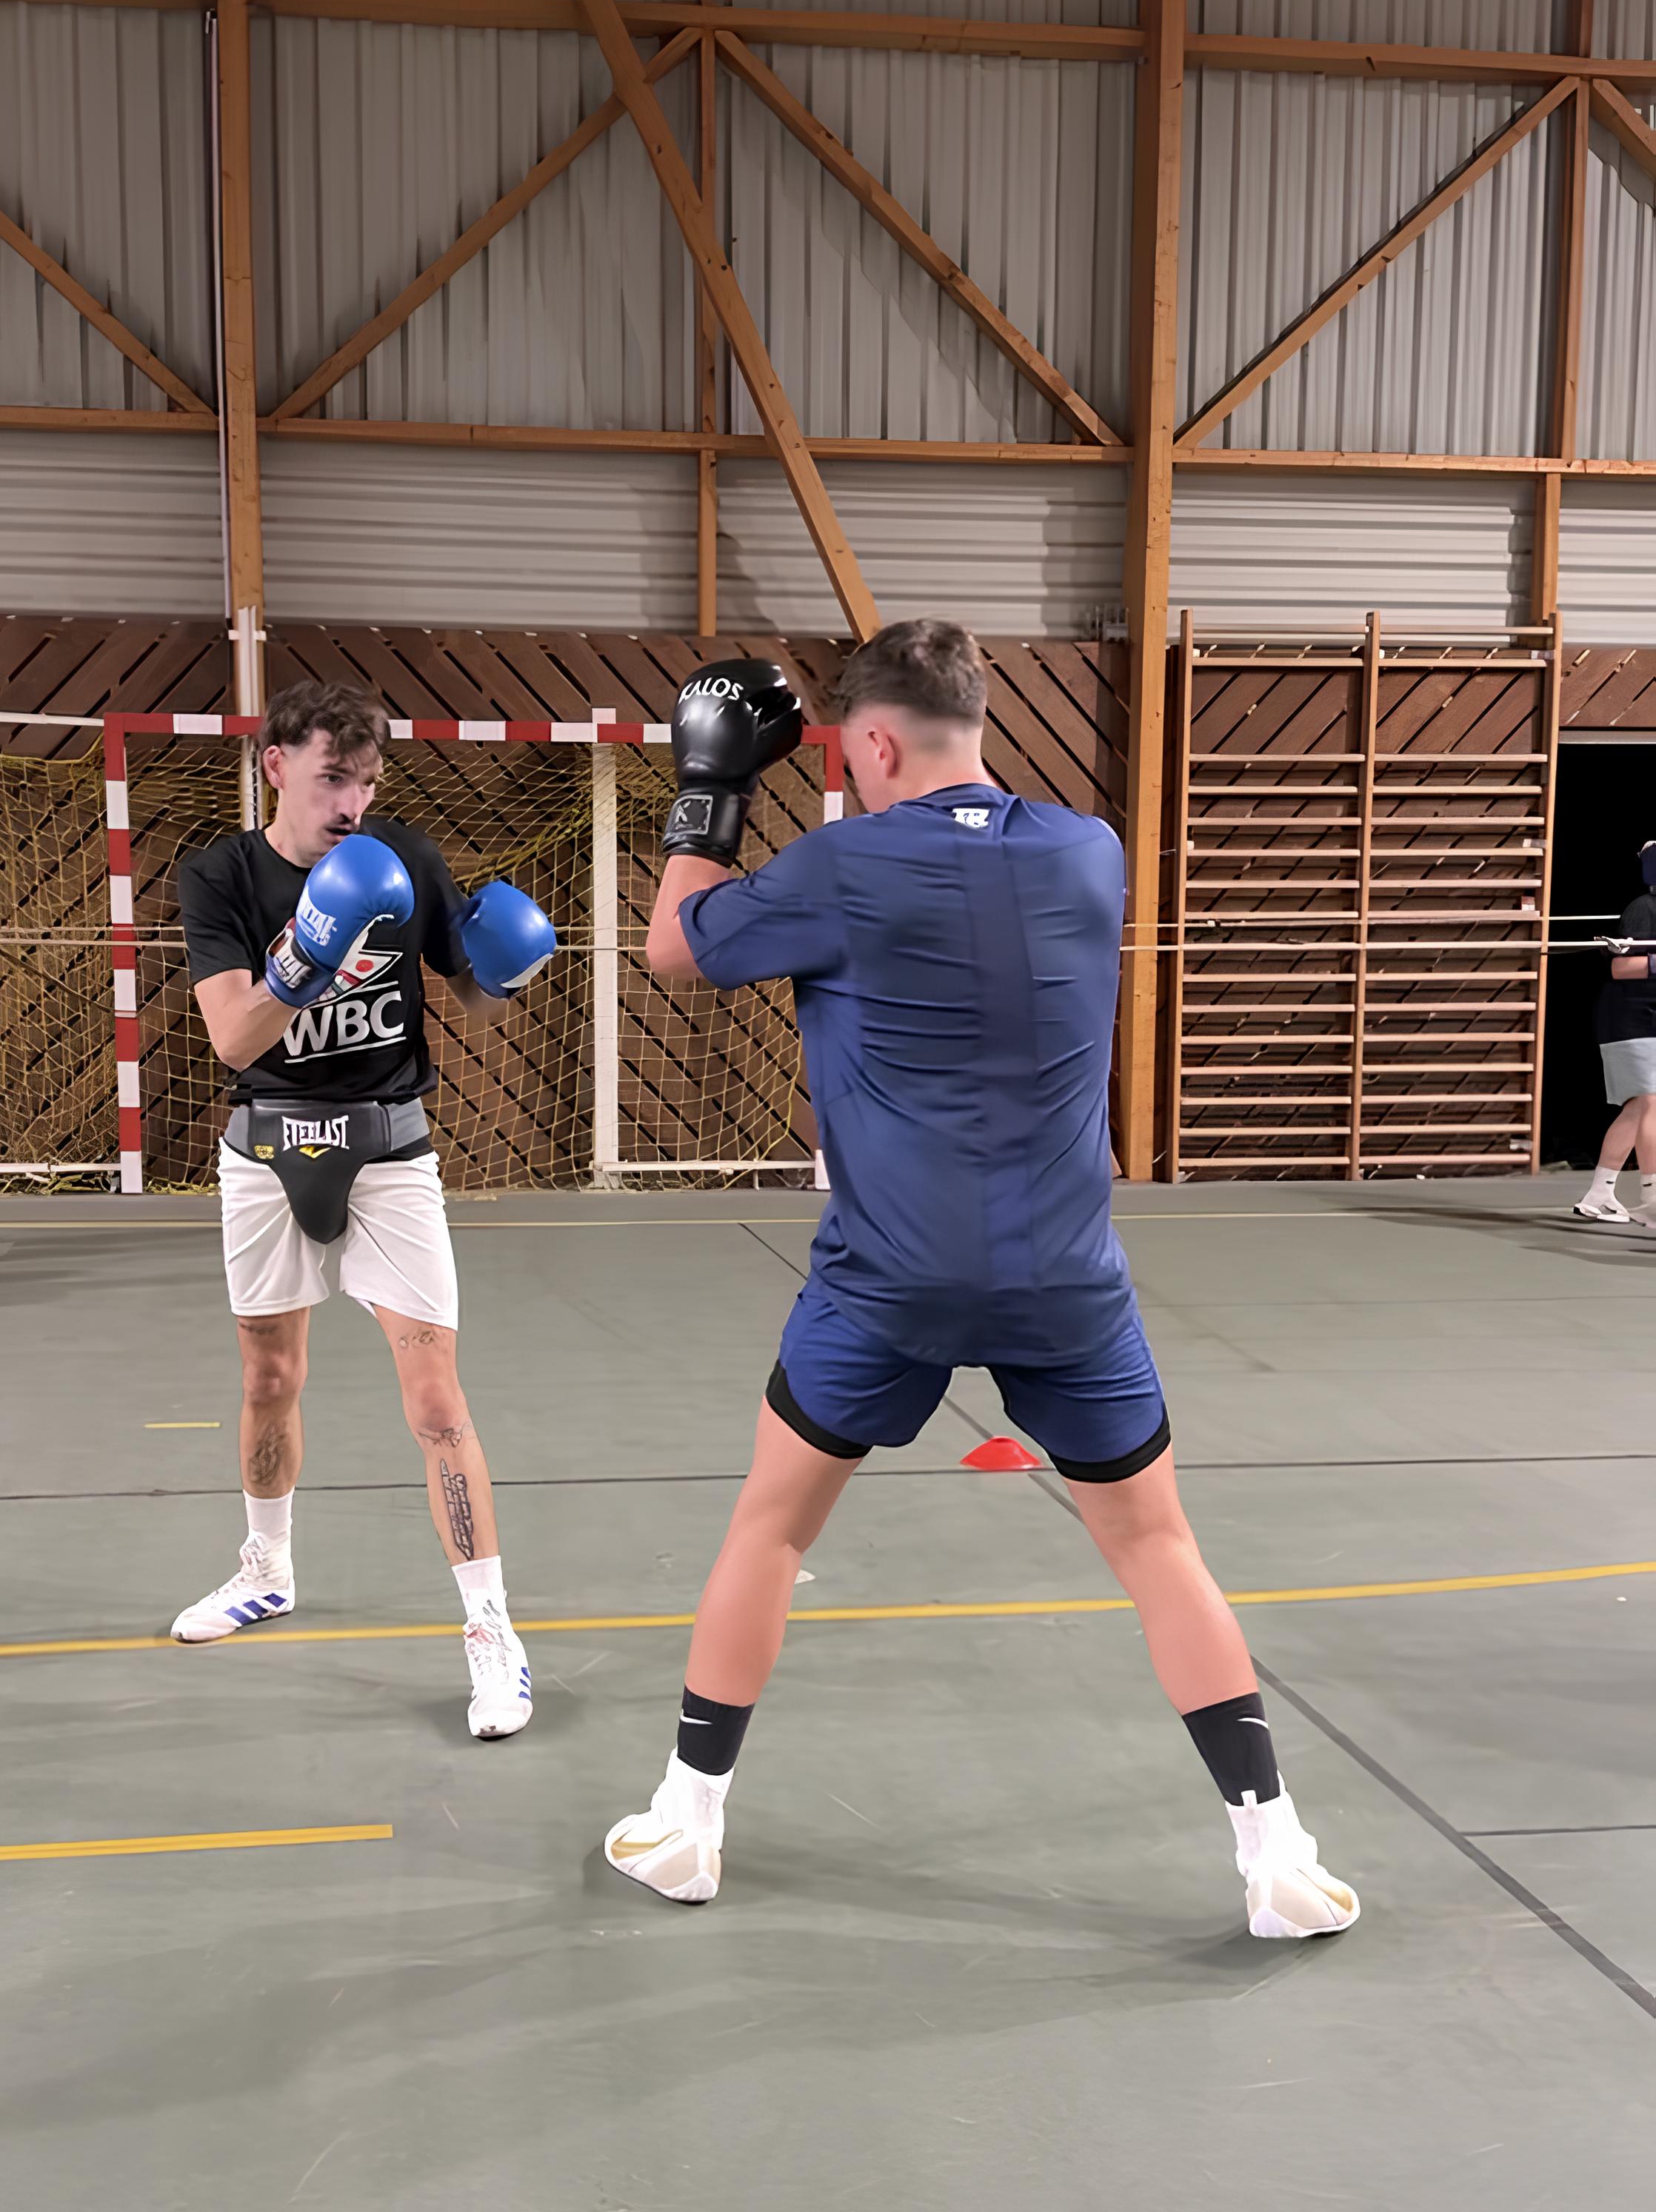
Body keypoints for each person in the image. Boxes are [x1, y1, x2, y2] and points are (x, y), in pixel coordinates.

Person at [603, 623, 1359, 1942]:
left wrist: (712, 787)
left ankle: (685, 1820)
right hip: (1069, 1276)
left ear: (875, 742)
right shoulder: (1089, 850)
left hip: (886, 1278)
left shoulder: (842, 863)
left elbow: (674, 944)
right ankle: (1277, 1848)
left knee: (770, 1528)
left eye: (851, 755)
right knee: (1157, 1543)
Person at [173, 678, 555, 1738]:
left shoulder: (407, 860)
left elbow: (470, 1002)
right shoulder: (218, 876)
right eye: (335, 777)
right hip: (268, 1145)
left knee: (436, 1399)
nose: (353, 801)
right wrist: (309, 949)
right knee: (269, 1374)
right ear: (277, 766)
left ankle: (491, 1632)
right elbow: (234, 1041)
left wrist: (505, 970)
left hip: (391, 1147)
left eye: (368, 780)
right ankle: (266, 1568)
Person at [1573, 838, 1656, 1228]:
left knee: (1650, 1107)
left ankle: (1648, 1196)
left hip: (1650, 1021)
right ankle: (1601, 1194)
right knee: (1642, 1105)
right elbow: (1622, 969)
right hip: (1629, 1020)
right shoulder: (1643, 909)